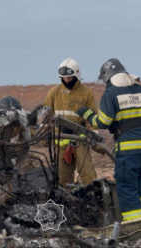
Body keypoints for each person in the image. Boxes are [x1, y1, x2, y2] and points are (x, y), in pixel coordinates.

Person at [77, 58, 141, 221]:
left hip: (129, 148)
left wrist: (88, 115)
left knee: (126, 186)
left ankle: (135, 225)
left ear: (107, 77)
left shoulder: (111, 93)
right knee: (139, 183)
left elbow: (104, 121)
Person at [43, 57, 103, 189]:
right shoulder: (54, 93)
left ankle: (94, 201)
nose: (67, 80)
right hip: (60, 141)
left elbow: (91, 119)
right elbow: (46, 117)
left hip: (80, 140)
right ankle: (68, 205)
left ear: (76, 75)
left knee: (88, 176)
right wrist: (44, 136)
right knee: (63, 180)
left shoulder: (86, 93)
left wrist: (95, 140)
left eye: (70, 77)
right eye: (64, 78)